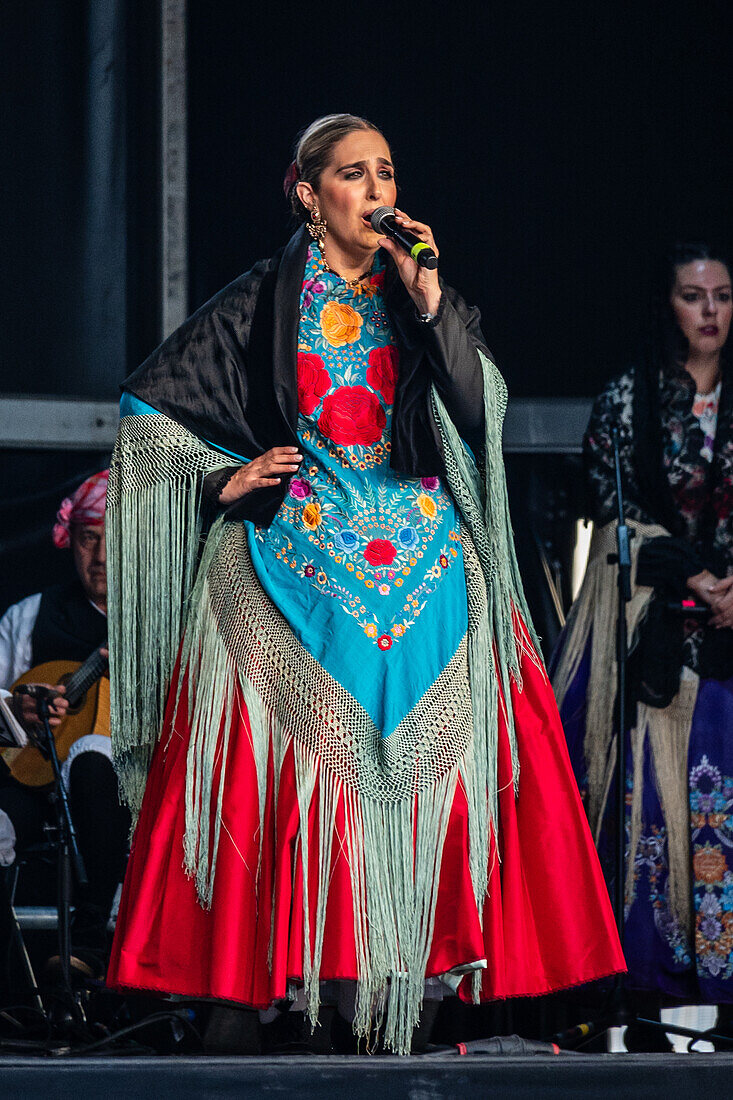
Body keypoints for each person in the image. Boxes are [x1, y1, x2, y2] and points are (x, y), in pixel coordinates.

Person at [105, 114, 624, 1054]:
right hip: (297, 548)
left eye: (386, 171)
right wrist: (223, 482)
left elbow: (476, 409)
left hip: (414, 544)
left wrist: (428, 301)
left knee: (467, 639)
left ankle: (413, 981)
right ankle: (261, 979)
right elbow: (149, 419)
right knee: (266, 635)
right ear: (309, 197)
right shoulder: (259, 302)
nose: (377, 190)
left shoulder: (418, 294)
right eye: (353, 174)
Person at [552, 242, 733, 1046]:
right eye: (694, 296)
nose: (710, 312)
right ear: (666, 306)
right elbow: (611, 506)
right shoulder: (627, 400)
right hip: (657, 637)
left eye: (722, 296)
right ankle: (646, 997)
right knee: (650, 815)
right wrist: (697, 580)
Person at [0, 470, 130, 980]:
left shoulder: (167, 622)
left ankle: (93, 939)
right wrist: (21, 710)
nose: (98, 558)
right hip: (33, 783)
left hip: (123, 792)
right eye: (88, 539)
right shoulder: (28, 617)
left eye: (111, 541)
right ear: (68, 539)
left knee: (95, 754)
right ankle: (11, 995)